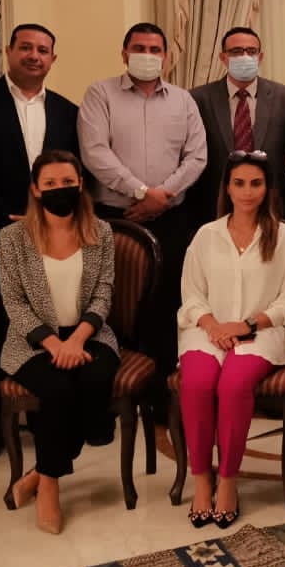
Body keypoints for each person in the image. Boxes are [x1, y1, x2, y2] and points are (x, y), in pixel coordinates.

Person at [0, 23, 80, 465]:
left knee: (50, 324)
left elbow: (72, 173)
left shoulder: (67, 110)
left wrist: (48, 216)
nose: (33, 55)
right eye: (25, 47)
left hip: (53, 238)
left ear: (52, 59)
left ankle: (49, 420)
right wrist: (11, 213)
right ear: (9, 51)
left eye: (42, 50)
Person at [177, 150, 285, 528]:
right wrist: (214, 326)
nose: (248, 192)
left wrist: (246, 325)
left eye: (256, 183)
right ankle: (203, 480)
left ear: (268, 188)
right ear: (227, 188)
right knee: (197, 383)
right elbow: (191, 294)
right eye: (240, 183)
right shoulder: (206, 236)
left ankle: (229, 481)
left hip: (262, 333)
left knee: (233, 385)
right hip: (206, 331)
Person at [0, 150, 118, 535]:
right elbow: (14, 302)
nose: (59, 189)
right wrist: (54, 344)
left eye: (67, 182)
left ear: (80, 184)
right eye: (49, 183)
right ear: (35, 189)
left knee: (94, 381)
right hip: (32, 341)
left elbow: (103, 293)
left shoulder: (100, 231)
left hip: (89, 334)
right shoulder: (12, 238)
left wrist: (77, 339)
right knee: (59, 390)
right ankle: (49, 486)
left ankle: (39, 473)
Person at [77, 22, 206, 377]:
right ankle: (113, 383)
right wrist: (141, 192)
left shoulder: (183, 100)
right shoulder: (100, 94)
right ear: (124, 54)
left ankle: (161, 386)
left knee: (166, 302)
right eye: (139, 49)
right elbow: (94, 152)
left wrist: (162, 197)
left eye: (154, 50)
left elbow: (197, 156)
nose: (147, 56)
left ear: (166, 56)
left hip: (170, 218)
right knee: (112, 301)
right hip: (114, 217)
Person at [190, 26, 285, 209]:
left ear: (260, 57)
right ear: (223, 58)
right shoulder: (198, 98)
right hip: (215, 203)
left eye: (251, 51)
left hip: (271, 202)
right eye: (236, 51)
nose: (245, 56)